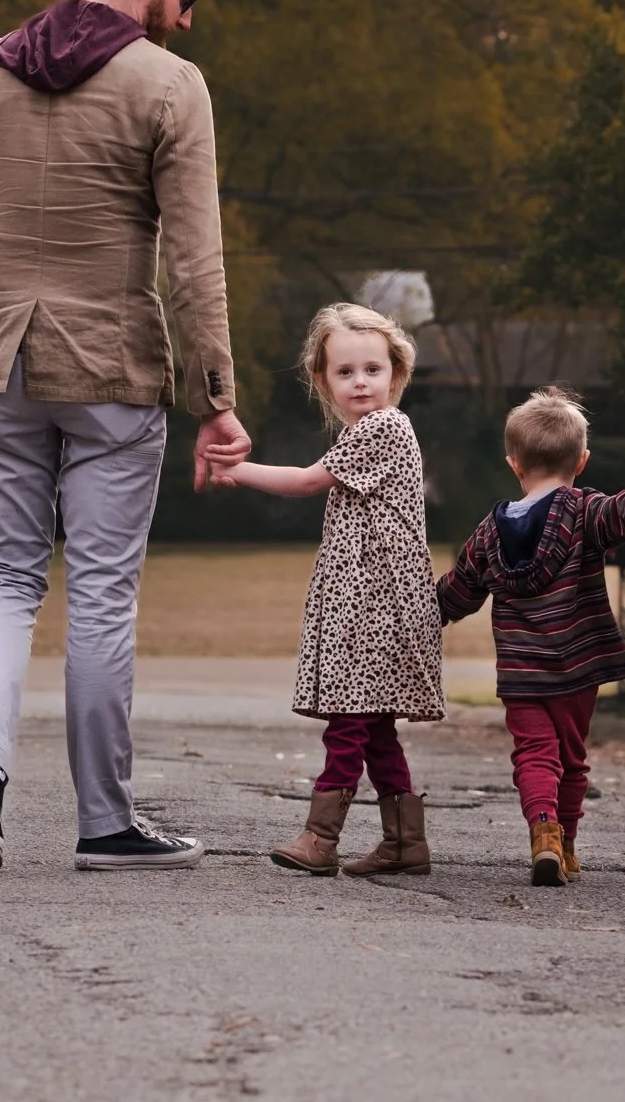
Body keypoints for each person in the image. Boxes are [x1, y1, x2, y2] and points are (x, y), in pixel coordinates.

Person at [0, 0, 251, 873]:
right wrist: (216, 397)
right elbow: (195, 260)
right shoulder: (167, 84)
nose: (187, 19)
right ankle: (104, 821)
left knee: (2, 577)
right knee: (100, 592)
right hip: (109, 365)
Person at [435, 387, 625, 885]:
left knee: (534, 753)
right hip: (577, 669)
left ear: (513, 463)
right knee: (571, 756)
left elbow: (456, 594)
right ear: (582, 461)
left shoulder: (487, 532)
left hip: (523, 674)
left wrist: (406, 613)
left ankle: (542, 831)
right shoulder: (585, 512)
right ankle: (564, 842)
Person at [208, 304, 445, 877]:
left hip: (377, 606)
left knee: (348, 722)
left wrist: (234, 470)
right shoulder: (365, 432)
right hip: (367, 602)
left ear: (396, 375)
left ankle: (320, 838)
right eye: (345, 372)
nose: (360, 381)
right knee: (375, 725)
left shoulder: (385, 427)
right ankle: (404, 843)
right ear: (324, 381)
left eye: (372, 369)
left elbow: (309, 481)